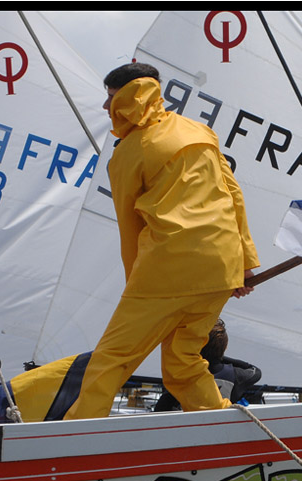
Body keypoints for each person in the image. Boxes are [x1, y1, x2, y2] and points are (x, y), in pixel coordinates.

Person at [63, 62, 260, 420]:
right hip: (221, 265)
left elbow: (129, 226)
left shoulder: (125, 153)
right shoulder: (201, 131)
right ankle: (222, 421)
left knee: (109, 361)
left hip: (167, 270)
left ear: (127, 97)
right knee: (183, 361)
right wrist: (244, 264)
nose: (105, 108)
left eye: (110, 98)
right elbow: (234, 195)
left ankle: (74, 437)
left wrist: (134, 287)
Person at [154, 319, 262, 412]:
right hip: (223, 428)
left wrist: (195, 356)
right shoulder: (235, 375)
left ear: (197, 348)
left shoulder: (184, 376)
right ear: (225, 348)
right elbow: (255, 371)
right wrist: (219, 357)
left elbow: (160, 409)